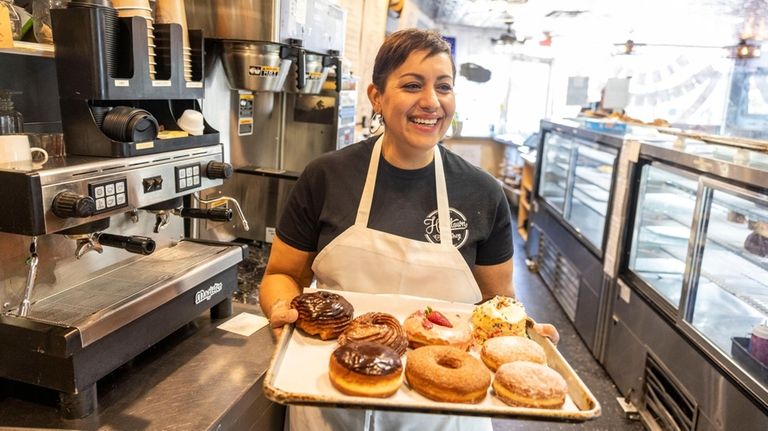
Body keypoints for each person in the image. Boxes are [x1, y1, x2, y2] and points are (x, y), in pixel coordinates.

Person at [259, 28, 556, 431]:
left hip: (447, 410)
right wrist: (281, 310)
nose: (431, 102)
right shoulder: (327, 176)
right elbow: (283, 274)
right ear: (376, 97)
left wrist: (523, 335)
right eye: (412, 85)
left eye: (444, 87)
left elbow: (498, 302)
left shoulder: (483, 192)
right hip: (329, 397)